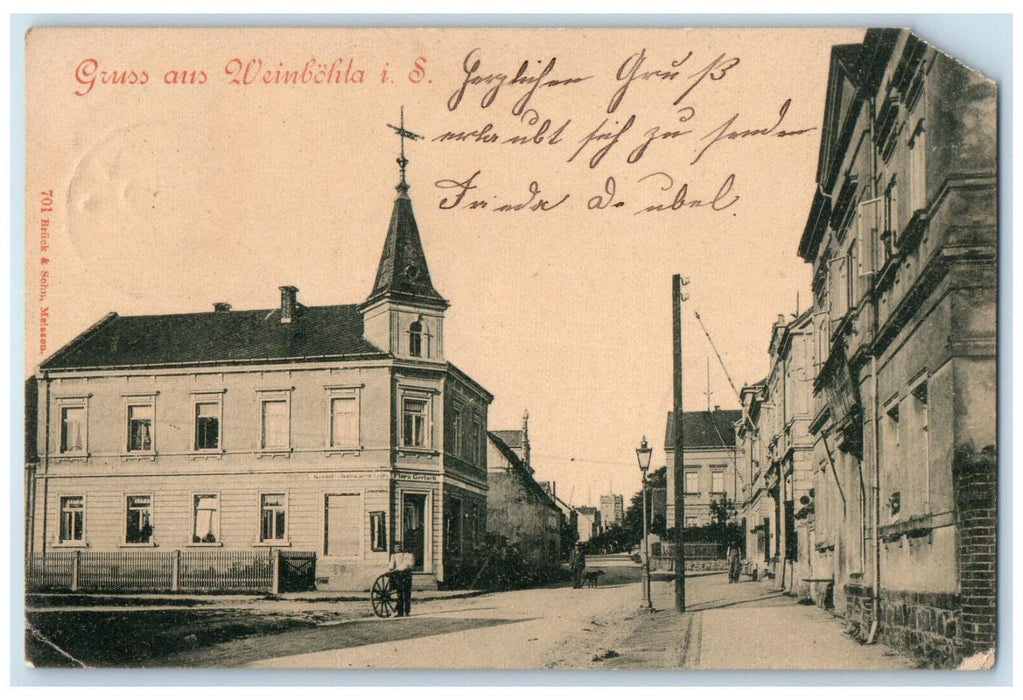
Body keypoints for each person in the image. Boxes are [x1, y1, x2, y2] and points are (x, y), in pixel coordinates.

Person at [388, 541, 416, 617]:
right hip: (398, 576)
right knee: (399, 594)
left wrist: (397, 569)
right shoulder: (393, 556)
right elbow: (391, 565)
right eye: (396, 547)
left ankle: (407, 611)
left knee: (407, 593)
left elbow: (408, 564)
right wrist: (391, 570)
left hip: (406, 575)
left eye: (399, 547)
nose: (397, 548)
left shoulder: (407, 555)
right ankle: (400, 611)